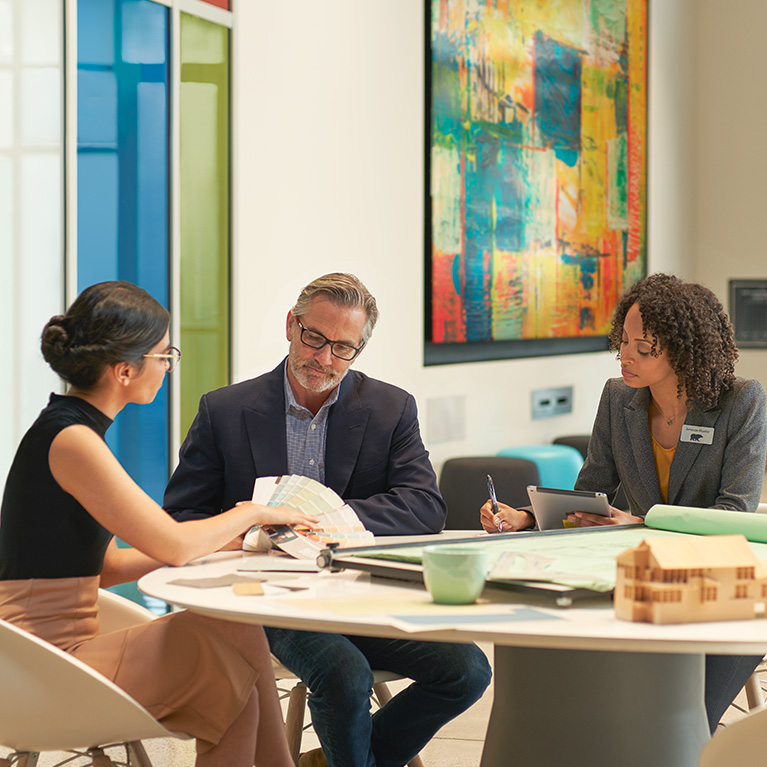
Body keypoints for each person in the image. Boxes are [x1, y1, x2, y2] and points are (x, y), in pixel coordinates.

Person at [165, 272, 492, 767]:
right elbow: (182, 517)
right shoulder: (226, 411)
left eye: (343, 347)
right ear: (292, 325)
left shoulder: (389, 407)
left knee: (467, 669)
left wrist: (328, 518)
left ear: (359, 349)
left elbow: (425, 504)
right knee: (342, 674)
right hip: (270, 601)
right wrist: (253, 530)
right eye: (315, 338)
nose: (324, 358)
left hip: (360, 592)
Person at [0, 281, 320, 767]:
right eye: (164, 354)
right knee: (227, 680)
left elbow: (103, 567)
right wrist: (251, 511)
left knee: (234, 632)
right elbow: (171, 545)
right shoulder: (73, 441)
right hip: (41, 663)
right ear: (125, 370)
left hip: (50, 653)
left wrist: (227, 542)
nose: (169, 365)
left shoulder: (69, 430)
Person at [480, 272, 767, 733]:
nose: (625, 355)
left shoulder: (742, 402)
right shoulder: (619, 399)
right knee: (600, 706)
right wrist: (528, 517)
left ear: (685, 351)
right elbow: (591, 488)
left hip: (723, 587)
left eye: (644, 348)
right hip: (638, 578)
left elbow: (734, 512)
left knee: (680, 723)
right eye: (624, 341)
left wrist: (642, 522)